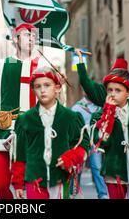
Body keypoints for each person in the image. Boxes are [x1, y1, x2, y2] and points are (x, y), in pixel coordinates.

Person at [0, 23, 48, 199]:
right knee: (0, 185)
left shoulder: (44, 66)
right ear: (16, 39)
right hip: (5, 132)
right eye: (26, 34)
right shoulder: (1, 65)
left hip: (34, 134)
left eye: (33, 35)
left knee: (33, 185)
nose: (31, 37)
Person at [11, 67, 89, 199]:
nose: (42, 90)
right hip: (34, 180)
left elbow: (83, 144)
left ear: (57, 88)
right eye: (37, 86)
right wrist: (18, 183)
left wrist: (71, 157)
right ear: (33, 90)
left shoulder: (71, 117)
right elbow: (19, 153)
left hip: (60, 178)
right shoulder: (25, 119)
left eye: (47, 85)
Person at [89, 62, 129, 199]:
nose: (112, 94)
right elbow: (102, 140)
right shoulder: (99, 116)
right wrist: (109, 113)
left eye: (118, 90)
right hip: (114, 171)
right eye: (110, 90)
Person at [70, 96, 108, 199]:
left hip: (94, 142)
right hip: (81, 142)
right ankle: (73, 191)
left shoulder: (100, 107)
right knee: (77, 167)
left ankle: (103, 194)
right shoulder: (77, 107)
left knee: (96, 166)